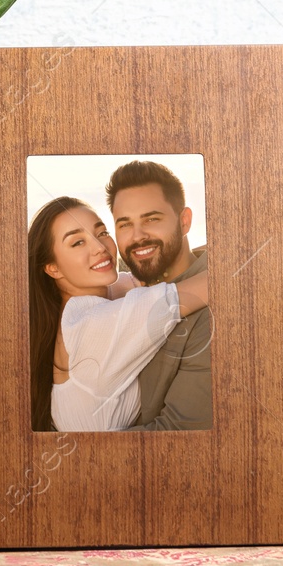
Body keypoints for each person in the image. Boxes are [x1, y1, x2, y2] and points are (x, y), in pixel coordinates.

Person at [26, 196, 209, 432]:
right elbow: (213, 283)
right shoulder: (94, 324)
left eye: (101, 233)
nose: (100, 248)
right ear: (53, 268)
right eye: (77, 243)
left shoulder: (83, 305)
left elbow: (151, 277)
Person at [106, 160, 211, 431]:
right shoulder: (119, 296)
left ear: (184, 221)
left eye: (152, 219)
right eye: (125, 224)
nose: (138, 236)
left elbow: (179, 434)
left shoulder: (211, 310)